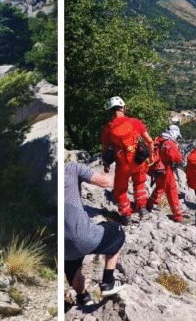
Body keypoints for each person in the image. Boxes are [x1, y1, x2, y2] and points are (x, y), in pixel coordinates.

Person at [65, 162, 126, 307]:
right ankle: (108, 282)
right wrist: (124, 171)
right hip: (83, 236)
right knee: (118, 232)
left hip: (62, 247)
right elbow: (105, 182)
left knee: (74, 270)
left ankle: (83, 298)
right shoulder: (70, 168)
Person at [100, 96, 154, 225]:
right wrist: (151, 156)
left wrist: (106, 163)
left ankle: (126, 216)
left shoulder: (109, 128)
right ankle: (142, 209)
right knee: (140, 183)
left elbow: (105, 147)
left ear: (111, 111)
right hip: (138, 160)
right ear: (123, 108)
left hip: (122, 164)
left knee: (120, 190)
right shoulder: (135, 122)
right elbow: (150, 141)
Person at [146, 125, 185, 222]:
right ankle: (177, 215)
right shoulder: (169, 143)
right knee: (172, 190)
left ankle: (149, 204)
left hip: (157, 168)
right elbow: (177, 157)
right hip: (166, 169)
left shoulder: (159, 139)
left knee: (160, 187)